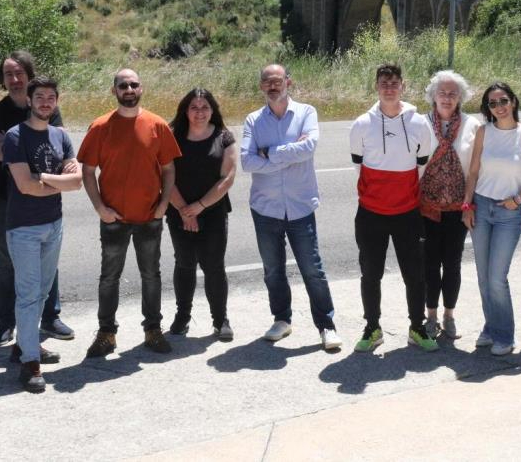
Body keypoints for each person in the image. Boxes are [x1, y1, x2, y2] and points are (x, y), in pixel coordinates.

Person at [80, 68, 181, 357]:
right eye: (122, 85)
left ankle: (152, 330)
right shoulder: (100, 126)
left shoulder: (157, 125)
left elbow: (169, 168)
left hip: (149, 217)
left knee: (151, 275)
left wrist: (163, 205)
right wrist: (100, 208)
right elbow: (88, 171)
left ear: (141, 89)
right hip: (114, 219)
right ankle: (106, 334)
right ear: (114, 91)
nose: (128, 89)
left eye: (134, 84)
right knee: (109, 277)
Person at [240, 64, 341, 351]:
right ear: (261, 86)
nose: (273, 86)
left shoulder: (307, 113)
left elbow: (309, 148)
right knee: (273, 270)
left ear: (288, 82)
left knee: (312, 269)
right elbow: (247, 162)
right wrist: (289, 153)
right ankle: (282, 320)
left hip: (299, 206)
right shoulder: (252, 120)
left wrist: (269, 153)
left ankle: (327, 325)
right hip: (266, 208)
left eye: (278, 80)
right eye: (267, 81)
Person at [0, 51, 72, 346]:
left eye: (19, 72)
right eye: (8, 74)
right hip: (7, 198)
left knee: (47, 259)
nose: (14, 79)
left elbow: (64, 156)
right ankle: (6, 322)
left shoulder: (47, 107)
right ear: (3, 79)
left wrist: (38, 176)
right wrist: (46, 172)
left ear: (29, 75)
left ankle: (49, 317)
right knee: (6, 262)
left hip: (47, 199)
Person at [349, 63, 438, 353]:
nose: (389, 87)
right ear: (376, 86)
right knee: (370, 274)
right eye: (384, 82)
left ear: (402, 86)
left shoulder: (418, 123)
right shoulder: (362, 124)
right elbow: (359, 164)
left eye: (394, 82)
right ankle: (372, 327)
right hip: (371, 214)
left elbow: (422, 163)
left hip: (408, 213)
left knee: (414, 274)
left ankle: (417, 327)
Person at [3, 77, 82, 392]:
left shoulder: (61, 136)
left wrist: (43, 176)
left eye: (51, 97)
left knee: (43, 291)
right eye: (40, 97)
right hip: (23, 227)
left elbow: (76, 182)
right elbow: (25, 186)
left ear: (57, 101)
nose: (46, 102)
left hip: (54, 224)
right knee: (28, 293)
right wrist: (54, 181)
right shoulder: (15, 136)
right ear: (29, 100)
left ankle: (24, 345)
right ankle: (30, 364)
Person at [461, 82, 521, 355]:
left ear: (514, 101)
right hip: (482, 207)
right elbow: (473, 172)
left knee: (498, 276)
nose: (499, 107)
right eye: (492, 104)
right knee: (483, 276)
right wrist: (467, 204)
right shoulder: (484, 132)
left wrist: (519, 201)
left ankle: (505, 336)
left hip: (509, 212)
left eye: (503, 101)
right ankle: (491, 326)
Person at [166, 88, 238, 342]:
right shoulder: (172, 136)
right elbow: (165, 176)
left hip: (213, 212)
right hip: (178, 211)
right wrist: (185, 210)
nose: (199, 113)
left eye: (205, 107)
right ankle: (182, 316)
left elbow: (227, 179)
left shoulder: (224, 137)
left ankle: (221, 320)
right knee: (184, 263)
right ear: (185, 110)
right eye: (194, 107)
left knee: (213, 266)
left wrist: (198, 207)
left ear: (213, 110)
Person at [419, 70, 481, 340]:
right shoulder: (418, 123)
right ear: (433, 95)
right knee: (429, 265)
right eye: (442, 93)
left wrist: (470, 204)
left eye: (452, 93)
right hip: (426, 208)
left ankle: (449, 315)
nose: (446, 98)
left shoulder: (473, 125)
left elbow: (477, 169)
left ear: (460, 98)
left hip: (459, 208)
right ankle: (430, 316)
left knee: (453, 264)